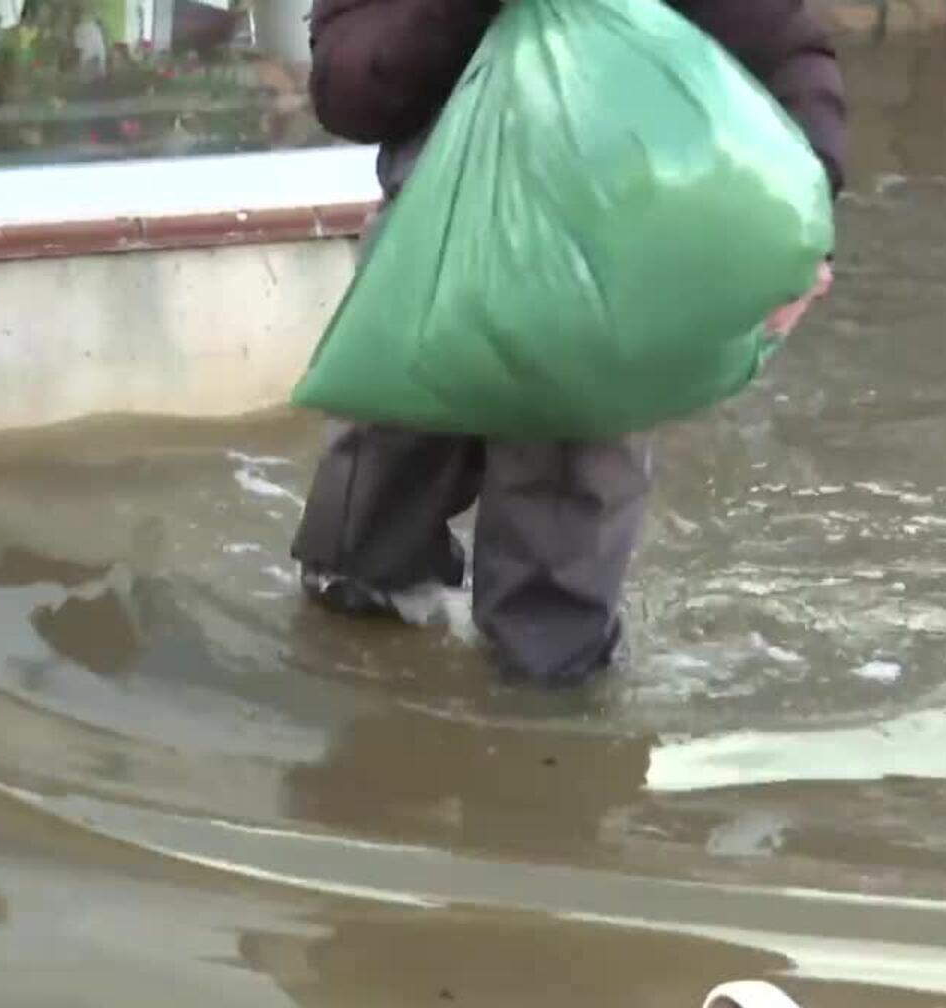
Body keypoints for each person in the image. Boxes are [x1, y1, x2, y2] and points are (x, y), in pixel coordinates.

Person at [291, 0, 847, 685]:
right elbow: (346, 95)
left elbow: (791, 60)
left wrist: (806, 226)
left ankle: (541, 725)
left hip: (606, 275)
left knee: (554, 637)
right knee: (355, 567)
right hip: (428, 260)